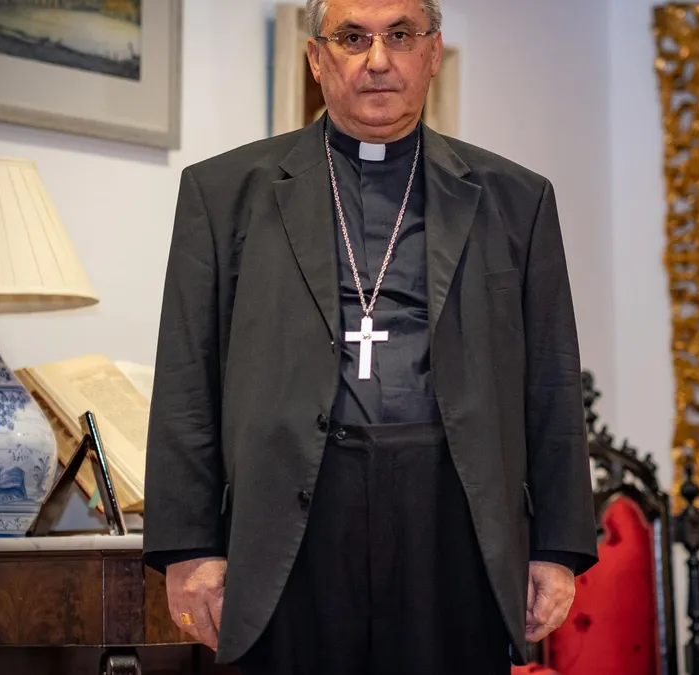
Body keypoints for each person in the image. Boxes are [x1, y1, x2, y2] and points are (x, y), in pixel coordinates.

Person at [141, 0, 598, 672]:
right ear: (316, 58)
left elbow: (551, 381)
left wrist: (555, 547)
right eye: (352, 37)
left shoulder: (516, 199)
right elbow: (187, 375)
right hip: (291, 521)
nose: (378, 60)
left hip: (452, 521)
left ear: (432, 53)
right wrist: (189, 546)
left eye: (401, 35)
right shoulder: (224, 193)